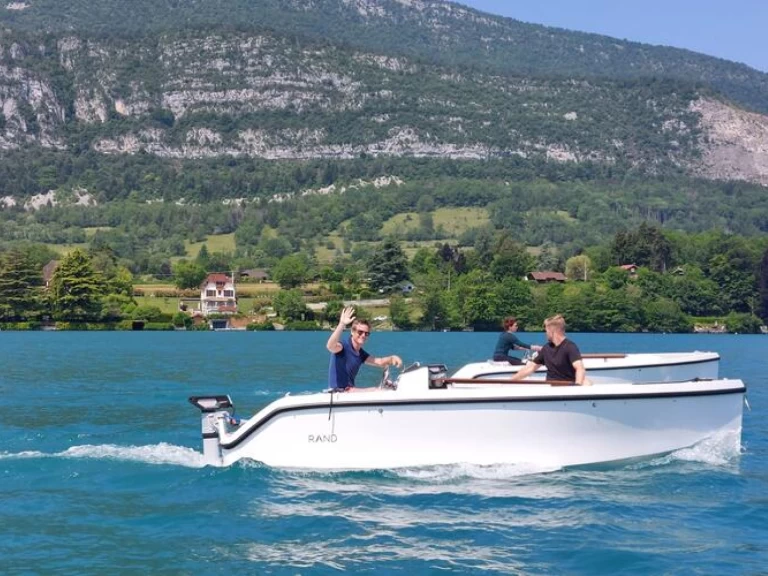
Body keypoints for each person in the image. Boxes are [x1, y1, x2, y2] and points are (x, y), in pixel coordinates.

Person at [327, 306, 403, 392]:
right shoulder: (343, 347)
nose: (363, 335)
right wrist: (341, 324)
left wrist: (392, 358)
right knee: (376, 390)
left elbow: (379, 361)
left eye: (366, 334)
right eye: (360, 332)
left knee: (381, 389)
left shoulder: (360, 353)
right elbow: (330, 346)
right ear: (352, 331)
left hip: (349, 391)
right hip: (338, 392)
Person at [509, 314, 589, 385]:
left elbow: (580, 368)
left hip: (567, 388)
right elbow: (530, 368)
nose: (545, 334)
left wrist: (577, 386)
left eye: (546, 331)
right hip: (550, 388)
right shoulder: (546, 348)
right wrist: (510, 381)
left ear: (552, 331)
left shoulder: (570, 347)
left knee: (587, 382)